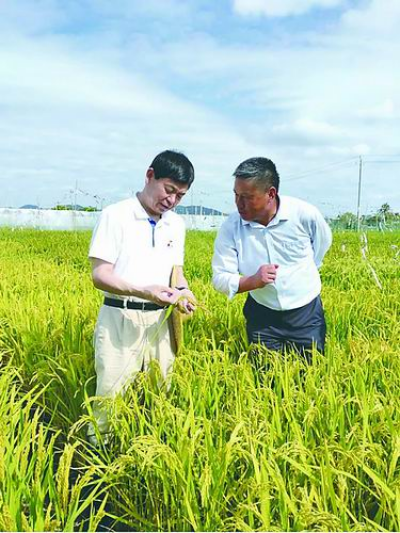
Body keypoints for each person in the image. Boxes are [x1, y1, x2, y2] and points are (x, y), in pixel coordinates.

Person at [88, 149, 195, 443]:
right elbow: (100, 275)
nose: (172, 200)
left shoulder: (176, 225)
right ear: (150, 176)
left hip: (161, 322)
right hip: (120, 318)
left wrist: (183, 292)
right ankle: (99, 454)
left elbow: (176, 272)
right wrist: (143, 291)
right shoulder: (115, 216)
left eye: (180, 196)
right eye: (168, 190)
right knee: (111, 397)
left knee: (161, 394)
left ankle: (148, 453)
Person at [212, 157, 332, 359]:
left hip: (306, 313)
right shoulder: (231, 226)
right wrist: (253, 281)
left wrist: (300, 276)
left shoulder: (304, 215)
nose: (239, 204)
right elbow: (220, 278)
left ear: (271, 193)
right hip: (262, 315)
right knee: (263, 372)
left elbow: (321, 246)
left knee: (310, 372)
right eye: (236, 195)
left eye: (247, 197)